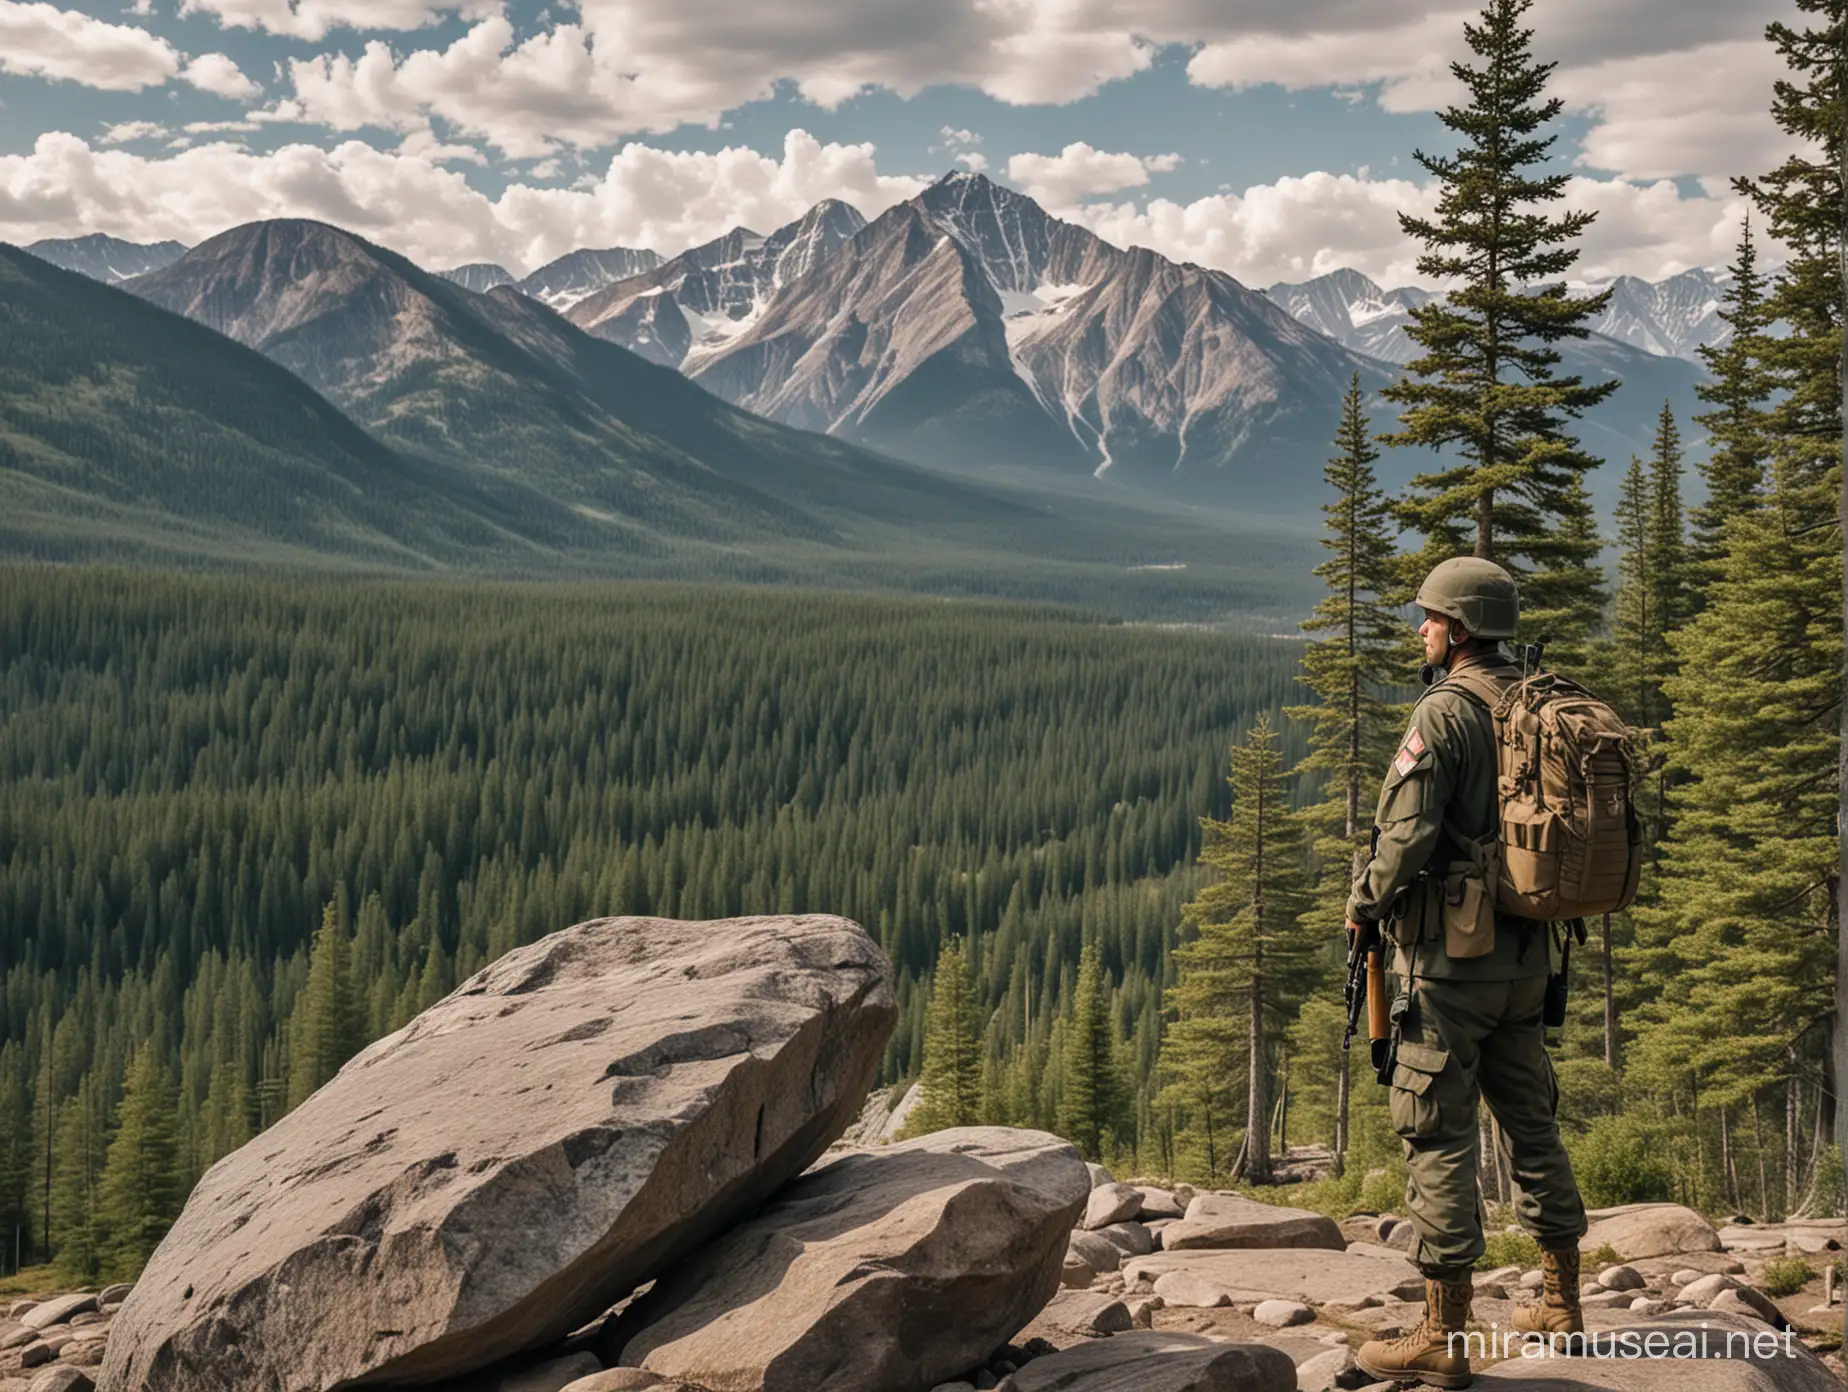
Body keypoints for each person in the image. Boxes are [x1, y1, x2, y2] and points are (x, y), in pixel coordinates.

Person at [1346, 557, 1587, 1389]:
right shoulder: (1536, 701)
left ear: (1461, 630)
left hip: (1450, 965)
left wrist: (1365, 903)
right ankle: (1561, 1300)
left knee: (1437, 1130)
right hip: (1528, 957)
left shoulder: (1444, 713)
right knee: (1531, 1120)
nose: (1422, 628)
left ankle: (1445, 1335)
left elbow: (1407, 836)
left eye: (1431, 618)